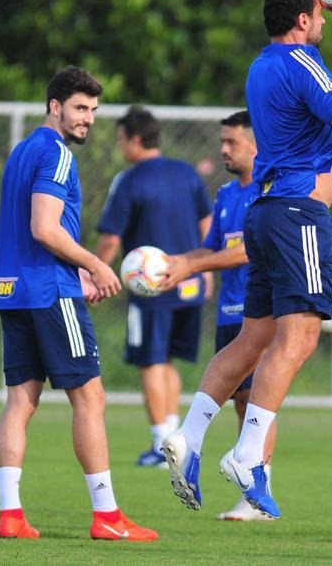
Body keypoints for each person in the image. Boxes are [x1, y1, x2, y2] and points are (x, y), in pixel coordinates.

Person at [162, 0, 332, 518]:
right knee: (302, 336)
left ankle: (188, 436)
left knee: (254, 338)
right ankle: (247, 456)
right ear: (303, 19)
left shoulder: (260, 66)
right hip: (298, 214)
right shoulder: (301, 59)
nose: (325, 20)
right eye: (320, 12)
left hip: (267, 213)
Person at [0, 66, 157, 541]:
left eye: (93, 110)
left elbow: (32, 233)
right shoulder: (57, 153)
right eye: (80, 108)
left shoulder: (21, 151)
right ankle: (106, 516)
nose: (88, 118)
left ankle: (10, 515)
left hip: (13, 290)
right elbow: (44, 228)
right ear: (55, 106)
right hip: (49, 292)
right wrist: (96, 265)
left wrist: (77, 270)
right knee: (89, 398)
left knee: (20, 401)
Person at [161, 110, 274, 522]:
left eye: (232, 142)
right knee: (241, 401)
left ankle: (258, 489)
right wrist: (176, 263)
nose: (223, 149)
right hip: (229, 312)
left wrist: (192, 267)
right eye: (222, 141)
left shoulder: (268, 190)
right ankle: (251, 488)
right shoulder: (226, 194)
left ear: (255, 146)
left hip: (260, 312)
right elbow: (210, 249)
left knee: (260, 398)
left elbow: (248, 251)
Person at [95, 105, 212, 468]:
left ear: (134, 139)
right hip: (189, 283)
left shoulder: (129, 180)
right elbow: (207, 223)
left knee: (151, 362)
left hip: (152, 289)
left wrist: (94, 272)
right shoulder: (186, 173)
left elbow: (111, 239)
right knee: (168, 360)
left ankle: (163, 446)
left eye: (120, 139)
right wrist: (207, 269)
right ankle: (173, 441)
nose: (120, 147)